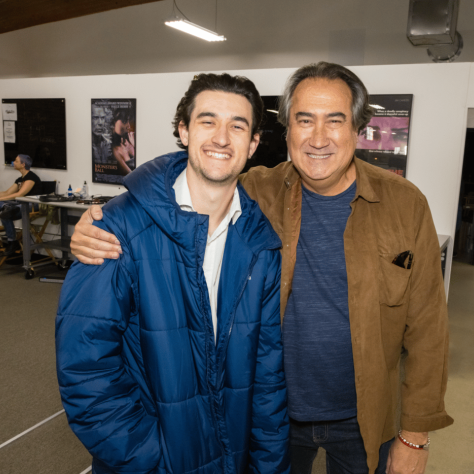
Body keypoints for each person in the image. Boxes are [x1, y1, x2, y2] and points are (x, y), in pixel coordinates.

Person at [70, 62, 452, 474]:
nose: (318, 138)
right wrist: (104, 218)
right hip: (270, 415)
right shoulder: (257, 191)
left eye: (335, 121)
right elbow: (197, 172)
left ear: (357, 129)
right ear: (286, 131)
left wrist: (414, 434)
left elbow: (429, 328)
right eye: (304, 120)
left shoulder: (405, 205)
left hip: (364, 416)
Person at [56, 73, 290, 474]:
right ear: (183, 130)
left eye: (238, 126)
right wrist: (151, 458)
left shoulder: (260, 245)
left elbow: (267, 378)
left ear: (252, 145)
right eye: (207, 121)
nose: (221, 137)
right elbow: (85, 367)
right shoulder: (119, 228)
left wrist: (269, 467)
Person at [0, 154, 42, 256]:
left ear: (23, 164)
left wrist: (1, 199)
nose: (13, 162)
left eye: (16, 161)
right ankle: (7, 208)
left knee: (5, 212)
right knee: (5, 212)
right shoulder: (20, 179)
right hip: (18, 205)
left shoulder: (31, 177)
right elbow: (8, 192)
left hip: (31, 206)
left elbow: (19, 194)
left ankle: (12, 242)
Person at [111, 108, 136, 175]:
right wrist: (127, 157)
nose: (128, 126)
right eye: (125, 121)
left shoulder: (128, 140)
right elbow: (132, 174)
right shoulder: (116, 149)